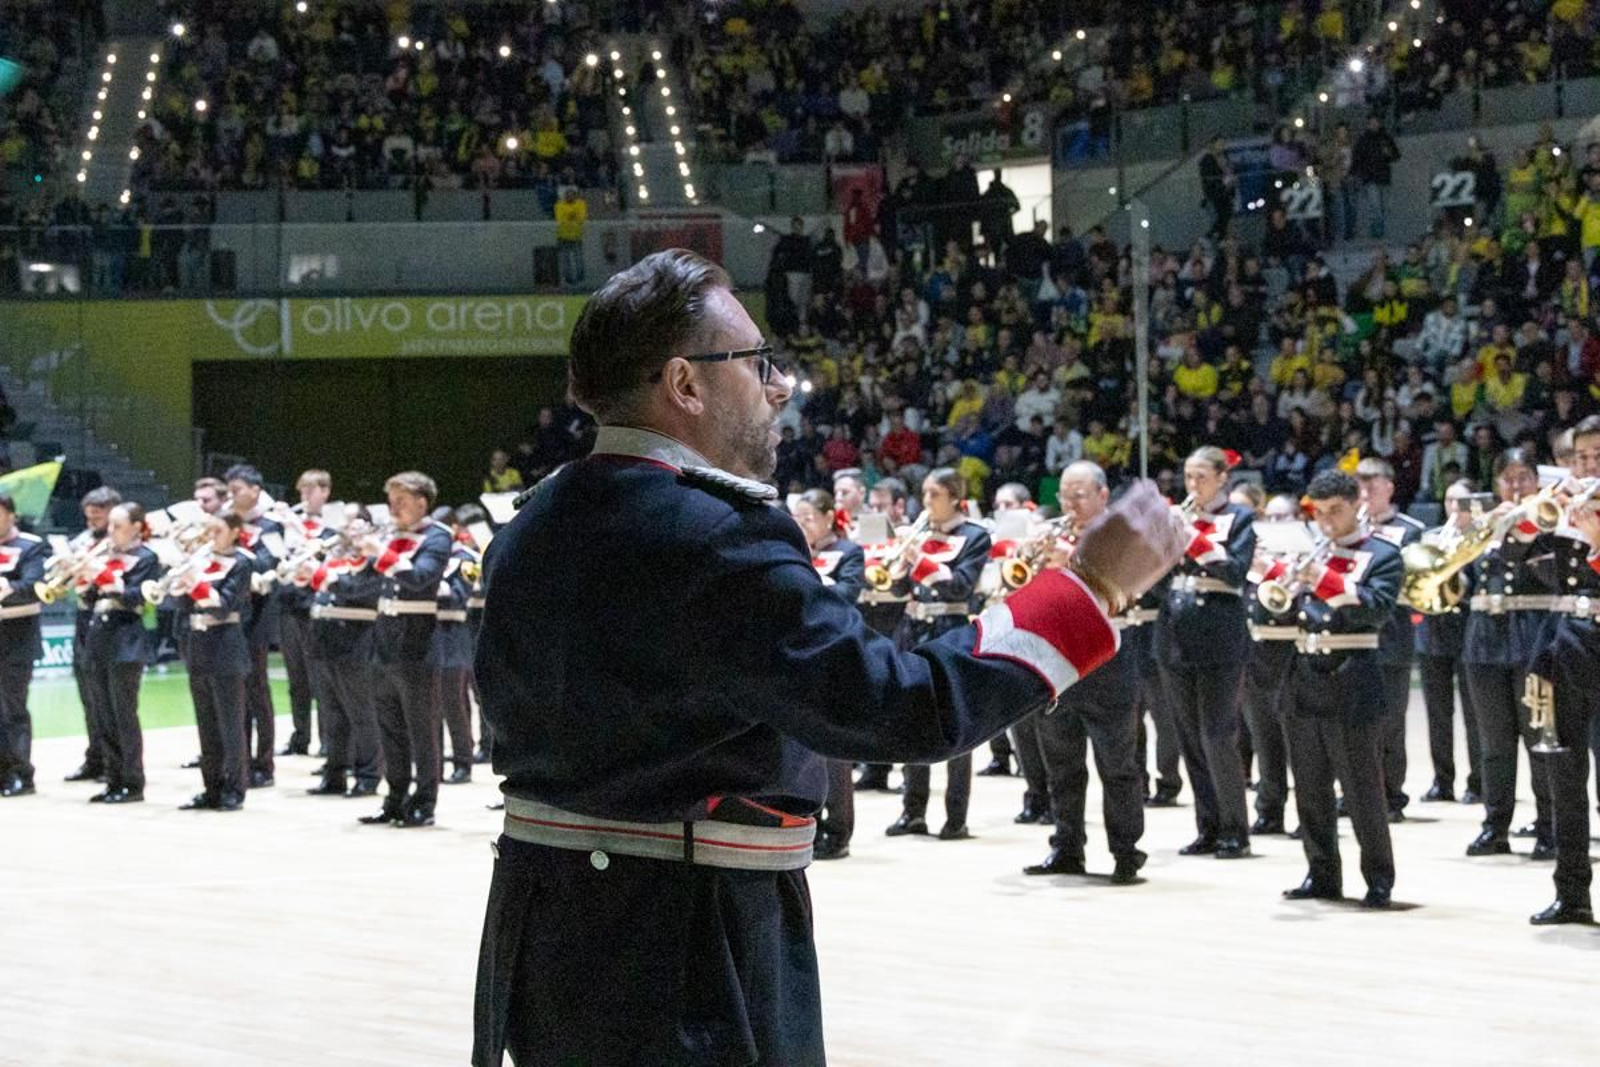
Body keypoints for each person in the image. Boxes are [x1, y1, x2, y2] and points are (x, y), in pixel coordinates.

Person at [469, 249, 1181, 1066]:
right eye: (755, 361)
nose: (777, 386)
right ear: (685, 384)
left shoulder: (534, 522)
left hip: (550, 930)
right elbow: (899, 703)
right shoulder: (716, 532)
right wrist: (1086, 592)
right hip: (685, 943)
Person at [1274, 470, 1403, 909]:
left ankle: (1379, 878)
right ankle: (1321, 872)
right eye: (1320, 513)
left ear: (1357, 504)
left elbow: (1375, 609)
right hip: (1304, 673)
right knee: (1309, 787)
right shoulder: (1310, 552)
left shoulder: (1382, 554)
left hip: (1353, 674)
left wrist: (1322, 580)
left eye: (1336, 511)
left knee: (1362, 787)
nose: (1327, 522)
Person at [1023, 462, 1147, 884]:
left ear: (1102, 496)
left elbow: (1126, 591)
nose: (1070, 504)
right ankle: (1067, 847)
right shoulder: (1054, 534)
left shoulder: (1125, 534)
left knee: (1118, 766)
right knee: (1062, 765)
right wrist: (1032, 561)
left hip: (1109, 663)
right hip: (1059, 662)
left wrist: (1071, 560)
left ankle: (1126, 852)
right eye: (1064, 495)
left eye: (1079, 495)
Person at [1156, 447, 1256, 859]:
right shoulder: (1177, 517)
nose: (1192, 485)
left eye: (1200, 477)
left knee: (1218, 735)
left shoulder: (1239, 518)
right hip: (1175, 633)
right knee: (1190, 738)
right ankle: (1208, 826)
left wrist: (1194, 540)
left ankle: (1236, 829)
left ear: (1221, 479)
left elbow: (1236, 572)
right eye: (1188, 476)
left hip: (1219, 632)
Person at [886, 467, 992, 841]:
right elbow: (899, 586)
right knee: (912, 719)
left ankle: (955, 816)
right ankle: (912, 811)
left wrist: (920, 561)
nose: (926, 502)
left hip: (951, 630)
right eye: (925, 494)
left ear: (954, 497)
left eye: (934, 495)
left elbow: (960, 587)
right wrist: (896, 564)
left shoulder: (976, 537)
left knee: (954, 722)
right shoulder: (922, 535)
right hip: (913, 631)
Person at [1461, 449, 1556, 860]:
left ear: (1536, 482)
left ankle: (1549, 827)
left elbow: (1554, 576)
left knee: (1540, 738)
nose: (1515, 487)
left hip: (1532, 635)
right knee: (1493, 743)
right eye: (1507, 478)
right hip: (1483, 639)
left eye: (1523, 478)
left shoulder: (1550, 522)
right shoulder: (1482, 526)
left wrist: (1521, 532)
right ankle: (1494, 826)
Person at [1525, 417, 1600, 924]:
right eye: (1582, 458)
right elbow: (1518, 562)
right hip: (1567, 643)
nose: (1588, 466)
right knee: (1565, 776)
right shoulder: (1565, 507)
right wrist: (1535, 519)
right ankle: (1571, 894)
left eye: (1597, 457)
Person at [358, 471, 453, 828]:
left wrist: (380, 553)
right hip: (383, 639)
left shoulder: (437, 537)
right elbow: (364, 582)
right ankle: (395, 798)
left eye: (401, 501)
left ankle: (424, 801)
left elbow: (420, 578)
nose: (393, 508)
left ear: (421, 502)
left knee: (421, 729)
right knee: (390, 726)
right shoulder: (391, 537)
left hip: (417, 640)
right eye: (391, 501)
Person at [792, 489, 865, 860]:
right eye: (798, 517)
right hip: (801, 654)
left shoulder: (849, 552)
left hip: (836, 653)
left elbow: (848, 593)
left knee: (835, 751)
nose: (802, 523)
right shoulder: (794, 550)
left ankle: (839, 831)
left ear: (827, 518)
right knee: (805, 750)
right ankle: (812, 822)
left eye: (808, 517)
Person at [1357, 457, 1426, 820]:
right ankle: (1357, 793)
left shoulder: (1409, 530)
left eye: (1372, 485)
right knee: (1355, 721)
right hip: (1354, 634)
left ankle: (1391, 795)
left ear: (1389, 487)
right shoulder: (1348, 528)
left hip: (1393, 635)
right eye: (1361, 486)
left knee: (1390, 723)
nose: (1365, 492)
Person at [79, 503, 158, 804]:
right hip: (99, 637)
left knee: (124, 713)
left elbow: (140, 597)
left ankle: (132, 782)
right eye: (110, 526)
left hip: (127, 639)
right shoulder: (105, 554)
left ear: (137, 527)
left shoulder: (146, 557)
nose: (110, 532)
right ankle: (113, 779)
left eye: (117, 526)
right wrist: (85, 580)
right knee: (103, 712)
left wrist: (109, 580)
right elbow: (90, 598)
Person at [175, 512, 254, 812]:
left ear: (234, 531)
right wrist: (181, 583)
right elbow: (185, 604)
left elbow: (224, 606)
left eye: (217, 529)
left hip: (226, 646)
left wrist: (194, 581)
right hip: (198, 644)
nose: (210, 535)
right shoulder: (201, 559)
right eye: (208, 529)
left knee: (231, 725)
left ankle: (235, 788)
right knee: (206, 724)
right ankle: (211, 788)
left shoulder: (242, 562)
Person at [304, 513, 384, 798]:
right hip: (325, 641)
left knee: (361, 713)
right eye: (348, 525)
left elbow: (364, 592)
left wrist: (330, 581)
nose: (351, 531)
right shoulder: (335, 558)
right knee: (332, 713)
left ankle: (368, 775)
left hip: (356, 642)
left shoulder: (376, 562)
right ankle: (334, 774)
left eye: (359, 527)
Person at [1414, 480, 1483, 805]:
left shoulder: (1484, 539)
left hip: (1469, 628)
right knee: (1438, 713)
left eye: (1463, 501)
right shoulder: (1431, 538)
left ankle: (1478, 782)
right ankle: (1443, 781)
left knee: (1475, 713)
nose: (1455, 508)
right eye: (1450, 500)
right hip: (1433, 632)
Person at [1241, 492, 1302, 836]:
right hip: (1256, 655)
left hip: (1290, 655)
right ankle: (1269, 810)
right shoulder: (1254, 558)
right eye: (1271, 518)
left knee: (1298, 743)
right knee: (1264, 738)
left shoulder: (1305, 561)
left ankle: (1308, 814)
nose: (1275, 525)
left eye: (1283, 518)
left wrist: (1276, 571)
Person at [224, 464, 284, 787]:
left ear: (256, 490)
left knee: (257, 690)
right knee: (235, 693)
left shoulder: (272, 526)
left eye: (236, 490)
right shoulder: (226, 523)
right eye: (229, 490)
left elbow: (266, 563)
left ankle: (264, 763)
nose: (230, 496)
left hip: (257, 615)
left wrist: (236, 547)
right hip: (230, 614)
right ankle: (239, 760)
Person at [61, 486, 121, 784]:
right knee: (88, 695)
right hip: (84, 618)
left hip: (109, 618)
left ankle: (115, 761)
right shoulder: (83, 541)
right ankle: (95, 757)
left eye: (97, 517)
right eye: (89, 518)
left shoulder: (119, 545)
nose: (92, 523)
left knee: (108, 699)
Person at [278, 469, 336, 758]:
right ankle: (300, 737)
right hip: (291, 605)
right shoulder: (291, 526)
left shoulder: (333, 525)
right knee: (296, 678)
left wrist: (297, 530)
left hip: (318, 607)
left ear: (324, 491)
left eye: (309, 491)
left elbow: (328, 555)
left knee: (321, 679)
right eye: (301, 492)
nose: (304, 497)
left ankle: (329, 742)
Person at [0, 492, 48, 797]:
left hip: (16, 639)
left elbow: (33, 587)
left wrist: (5, 588)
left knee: (13, 708)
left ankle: (20, 773)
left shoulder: (31, 545)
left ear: (11, 515)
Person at [554, 187, 587, 288]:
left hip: (576, 237)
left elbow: (581, 218)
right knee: (565, 261)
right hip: (563, 237)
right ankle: (569, 281)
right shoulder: (559, 205)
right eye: (567, 195)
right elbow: (560, 219)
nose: (569, 197)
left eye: (572, 194)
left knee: (579, 260)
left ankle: (580, 279)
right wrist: (573, 217)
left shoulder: (581, 204)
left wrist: (569, 217)